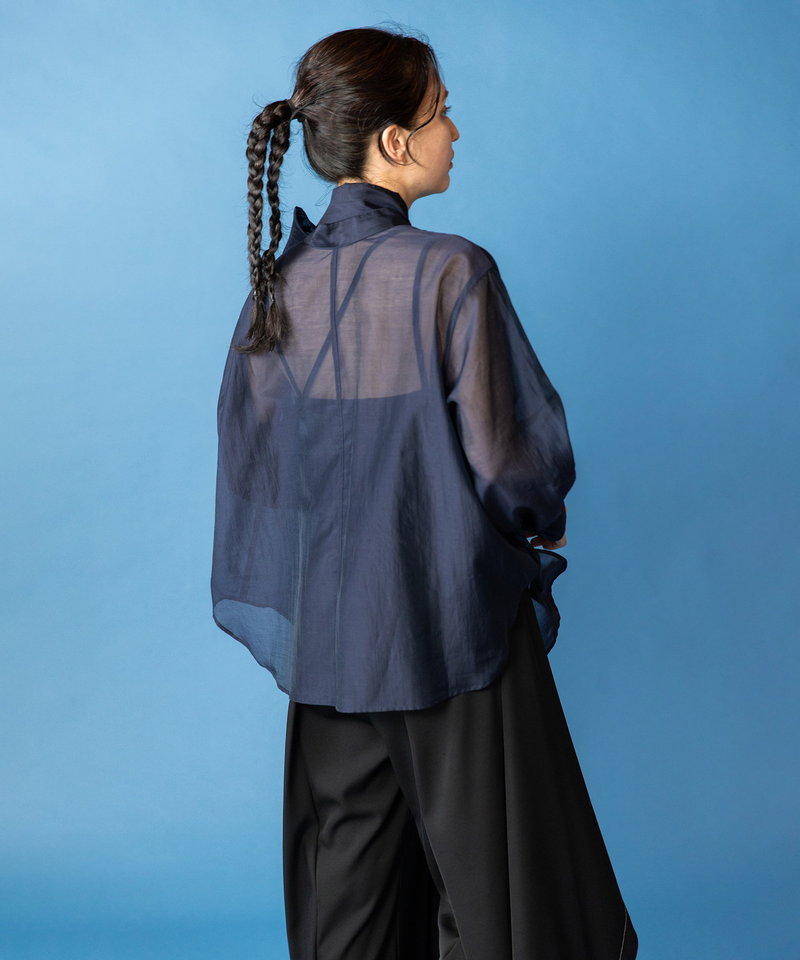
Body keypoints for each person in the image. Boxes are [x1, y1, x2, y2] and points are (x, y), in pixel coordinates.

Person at [210, 23, 638, 960]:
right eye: (441, 112)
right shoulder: (450, 271)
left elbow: (261, 467)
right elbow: (515, 463)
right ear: (395, 141)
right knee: (497, 901)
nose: (456, 131)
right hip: (449, 625)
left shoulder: (277, 287)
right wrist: (537, 529)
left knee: (349, 905)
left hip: (331, 639)